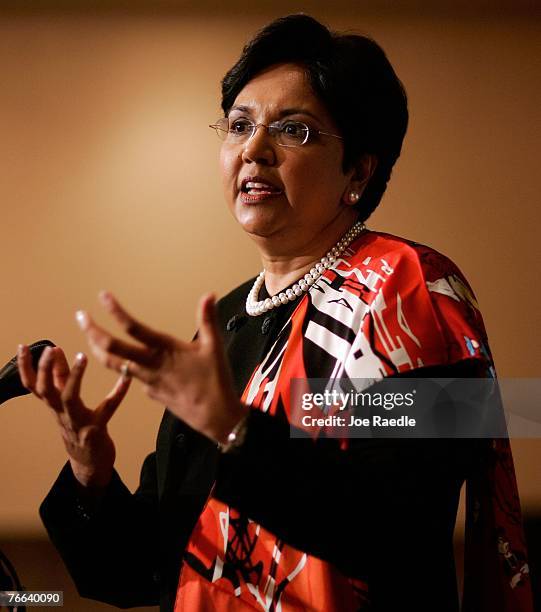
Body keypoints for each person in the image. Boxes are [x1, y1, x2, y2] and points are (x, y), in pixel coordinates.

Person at [17, 14, 533, 612]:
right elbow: (140, 572)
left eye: (295, 130)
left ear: (359, 170)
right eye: (239, 126)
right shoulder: (234, 317)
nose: (254, 150)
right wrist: (91, 471)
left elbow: (396, 526)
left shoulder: (414, 288)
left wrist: (236, 431)